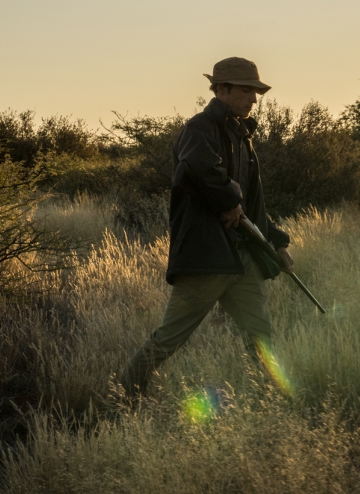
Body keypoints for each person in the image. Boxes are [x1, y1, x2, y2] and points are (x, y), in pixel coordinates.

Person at [118, 57, 294, 396]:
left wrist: (277, 242)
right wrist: (229, 201)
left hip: (243, 259)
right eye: (246, 91)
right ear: (222, 90)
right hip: (208, 257)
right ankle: (120, 395)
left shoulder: (244, 137)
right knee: (169, 338)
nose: (254, 99)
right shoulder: (199, 127)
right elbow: (198, 168)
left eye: (255, 92)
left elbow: (253, 205)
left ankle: (273, 401)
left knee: (261, 340)